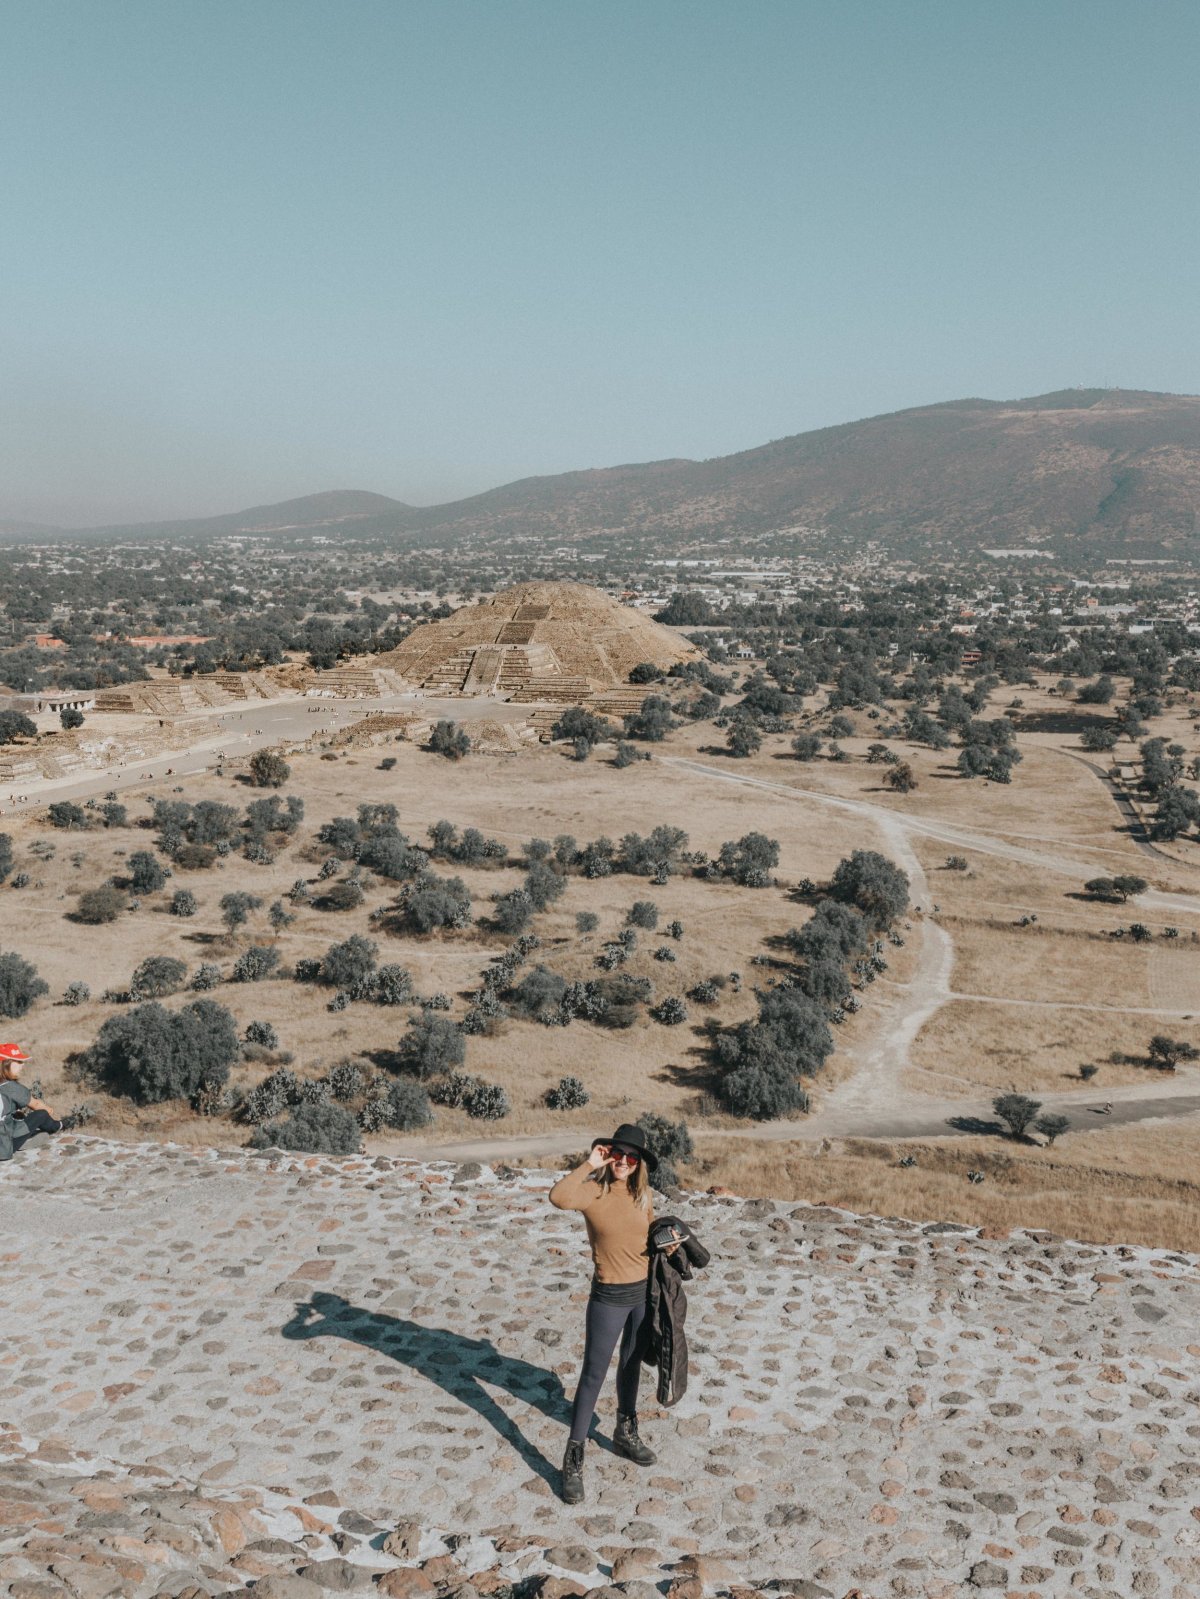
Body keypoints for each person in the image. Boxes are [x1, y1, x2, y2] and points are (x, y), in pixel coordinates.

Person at [548, 1122, 660, 1506]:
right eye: (618, 1154)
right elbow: (558, 1197)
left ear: (639, 1163)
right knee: (593, 1375)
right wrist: (588, 1163)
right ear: (608, 1154)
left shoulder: (642, 1195)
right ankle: (574, 1458)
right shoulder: (593, 1192)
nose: (624, 1162)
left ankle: (625, 1432)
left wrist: (671, 1246)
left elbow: (649, 1237)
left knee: (631, 1366)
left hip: (643, 1295)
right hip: (609, 1297)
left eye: (631, 1157)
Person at [0, 1043, 65, 1162]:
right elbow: (36, 1105)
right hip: (4, 1146)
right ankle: (58, 1126)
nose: (22, 1065)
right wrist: (49, 1110)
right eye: (18, 1061)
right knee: (41, 1114)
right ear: (6, 1064)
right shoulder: (11, 1087)